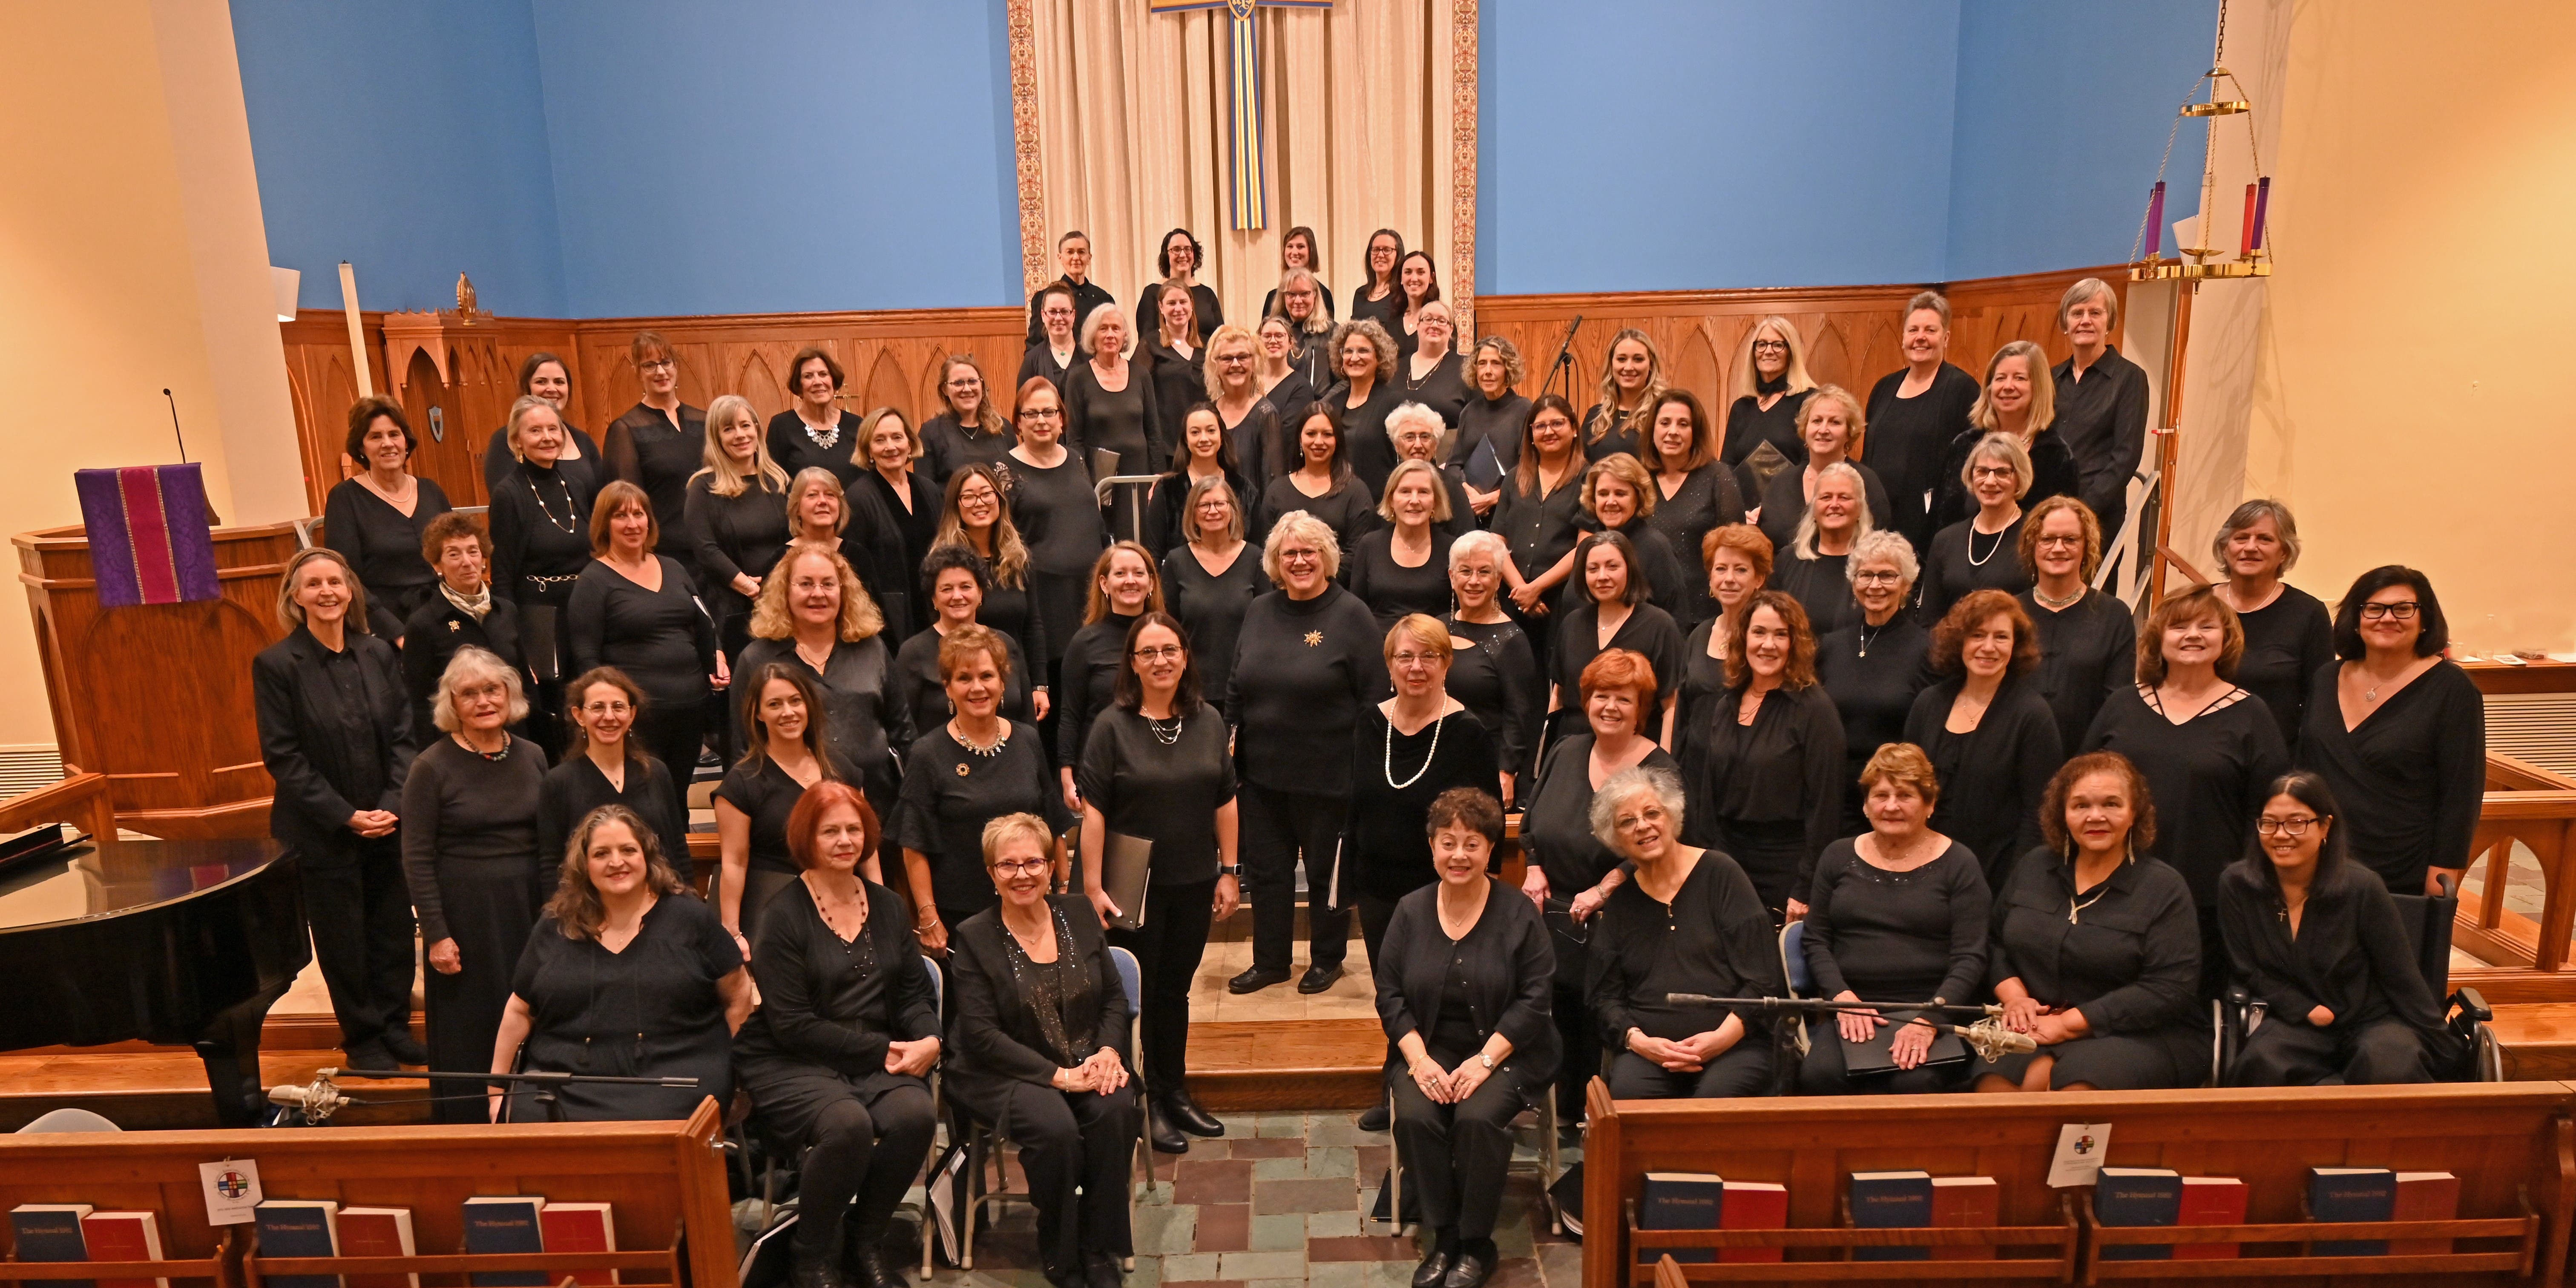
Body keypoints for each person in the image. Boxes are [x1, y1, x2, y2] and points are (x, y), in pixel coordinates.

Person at [733, 783, 940, 1288]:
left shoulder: (889, 906)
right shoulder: (781, 915)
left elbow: (914, 994)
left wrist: (930, 1039)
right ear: (808, 837)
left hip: (872, 1051)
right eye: (831, 831)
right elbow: (792, 1024)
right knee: (846, 1125)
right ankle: (811, 1253)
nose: (845, 840)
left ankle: (864, 1240)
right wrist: (885, 1049)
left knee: (916, 1115)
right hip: (791, 1056)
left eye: (854, 829)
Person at [946, 813, 1142, 1288]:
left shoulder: (1078, 913)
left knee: (1114, 1110)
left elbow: (1114, 998)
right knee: (1054, 1129)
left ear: (1051, 866)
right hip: (1003, 1070)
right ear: (991, 873)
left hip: (1087, 1057)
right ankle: (1059, 1241)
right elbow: (982, 1036)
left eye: (1033, 861)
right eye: (1008, 865)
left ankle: (1098, 1246)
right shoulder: (973, 937)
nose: (1022, 874)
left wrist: (1111, 1052)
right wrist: (1060, 1078)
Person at [1376, 787, 1555, 1288]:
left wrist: (1485, 1061)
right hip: (1428, 1047)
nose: (1459, 855)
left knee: (1477, 1120)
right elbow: (1389, 995)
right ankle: (1445, 1235)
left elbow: (1536, 1000)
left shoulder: (1518, 912)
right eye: (1448, 842)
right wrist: (1418, 1059)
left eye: (1472, 844)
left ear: (1491, 850)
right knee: (1415, 1115)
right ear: (1431, 846)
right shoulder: (1410, 911)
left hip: (1509, 1050)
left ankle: (1478, 1244)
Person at [1078, 612, 1240, 1154]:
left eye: (1170, 650)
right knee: (1136, 997)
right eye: (1148, 653)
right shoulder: (1111, 726)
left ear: (1185, 656)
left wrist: (1229, 872)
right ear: (1132, 663)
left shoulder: (1208, 721)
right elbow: (1094, 813)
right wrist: (1093, 887)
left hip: (1194, 879)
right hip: (1132, 885)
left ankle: (1175, 1092)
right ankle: (1142, 1101)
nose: (1161, 661)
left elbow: (1225, 799)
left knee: (1176, 991)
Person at [255, 548, 423, 1070]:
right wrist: (347, 816)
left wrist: (391, 806)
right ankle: (364, 1039)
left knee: (392, 930)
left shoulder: (377, 654)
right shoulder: (278, 665)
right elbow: (284, 756)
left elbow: (404, 738)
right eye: (313, 585)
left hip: (387, 822)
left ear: (351, 592)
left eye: (335, 582)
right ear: (295, 597)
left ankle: (394, 1027)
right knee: (344, 939)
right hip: (322, 830)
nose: (326, 592)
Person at [2082, 585, 2288, 995]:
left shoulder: (2252, 715)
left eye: (2206, 626)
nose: (2192, 634)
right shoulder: (2122, 704)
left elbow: (2267, 814)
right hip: (2114, 888)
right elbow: (2078, 787)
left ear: (2226, 639)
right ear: (2158, 638)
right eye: (2179, 626)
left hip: (2207, 899)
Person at [489, 805, 751, 1122]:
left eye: (628, 850)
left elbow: (738, 996)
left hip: (675, 1078)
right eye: (601, 854)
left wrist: (741, 1077)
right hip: (564, 1081)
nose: (616, 862)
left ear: (647, 855)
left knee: (648, 1125)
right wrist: (497, 1091)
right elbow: (519, 1010)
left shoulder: (690, 918)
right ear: (584, 864)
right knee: (532, 1119)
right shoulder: (556, 924)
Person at [1225, 512, 1387, 994]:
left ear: (1327, 557)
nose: (1300, 561)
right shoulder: (1260, 611)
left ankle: (1327, 959)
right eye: (1289, 553)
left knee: (1323, 876)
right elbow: (1236, 683)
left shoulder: (1351, 614)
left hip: (1330, 775)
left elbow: (1375, 700)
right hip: (1261, 775)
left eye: (1308, 552)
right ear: (1275, 562)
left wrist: (1364, 772)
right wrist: (1230, 740)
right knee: (1269, 874)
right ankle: (1271, 960)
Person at [1974, 753, 2203, 1092]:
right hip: (2035, 1024)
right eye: (2081, 806)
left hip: (2139, 1033)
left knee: (2072, 1090)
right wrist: (2015, 999)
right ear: (2063, 814)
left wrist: (2069, 1024)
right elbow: (1995, 943)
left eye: (2112, 804)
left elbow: (2169, 988)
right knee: (1995, 1086)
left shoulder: (2163, 888)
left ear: (2134, 813)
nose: (2096, 817)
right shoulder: (2034, 867)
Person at [1520, 649, 1678, 1113]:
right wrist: (1532, 865)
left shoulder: (1659, 769)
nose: (1610, 707)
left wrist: (1607, 886)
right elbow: (1531, 821)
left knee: (1596, 1015)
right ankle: (1560, 1106)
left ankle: (1597, 1108)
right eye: (1601, 696)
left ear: (1641, 708)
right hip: (1555, 913)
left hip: (1625, 914)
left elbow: (1662, 845)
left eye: (1623, 699)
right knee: (1548, 1008)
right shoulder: (1567, 749)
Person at [2220, 772, 2443, 1086]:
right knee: (2263, 1064)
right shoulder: (2238, 885)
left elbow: (2401, 976)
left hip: (2372, 1019)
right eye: (2269, 823)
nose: (2281, 834)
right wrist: (2304, 1009)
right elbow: (2247, 968)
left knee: (2391, 1066)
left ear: (2325, 826)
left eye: (2297, 822)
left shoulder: (2363, 887)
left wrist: (2446, 1046)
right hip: (2295, 1021)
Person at [403, 647, 550, 1121]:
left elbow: (550, 842)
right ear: (452, 704)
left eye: (493, 690)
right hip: (466, 918)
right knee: (475, 1022)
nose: (484, 700)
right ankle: (469, 1123)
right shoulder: (431, 766)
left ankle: (532, 1116)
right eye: (470, 693)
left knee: (535, 1008)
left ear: (510, 695)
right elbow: (417, 857)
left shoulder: (533, 756)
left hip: (528, 908)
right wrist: (437, 934)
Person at [1797, 744, 1989, 1094]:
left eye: (1905, 795)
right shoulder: (1837, 856)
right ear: (1865, 805)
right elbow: (1816, 939)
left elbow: (1971, 956)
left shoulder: (1960, 863)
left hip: (1934, 1009)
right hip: (1854, 1007)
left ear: (1930, 805)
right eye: (1881, 795)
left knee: (1916, 1081)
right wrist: (1842, 998)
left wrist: (1929, 1020)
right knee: (1818, 1076)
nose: (1891, 806)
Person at [1586, 766, 1780, 1100]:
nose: (1643, 826)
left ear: (1672, 815)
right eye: (1627, 821)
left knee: (1716, 1099)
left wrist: (1719, 1039)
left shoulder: (1722, 875)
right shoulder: (1622, 903)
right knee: (1630, 1095)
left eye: (1651, 813)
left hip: (1736, 1043)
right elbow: (1605, 998)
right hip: (1650, 1052)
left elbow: (1763, 980)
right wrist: (1640, 1042)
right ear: (1615, 837)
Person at [2300, 565, 2486, 897]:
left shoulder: (2453, 690)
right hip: (2320, 862)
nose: (2387, 618)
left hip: (2402, 869)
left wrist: (2444, 871)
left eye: (2403, 609)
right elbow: (2306, 765)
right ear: (2356, 619)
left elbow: (2461, 793)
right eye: (2374, 608)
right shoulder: (2327, 677)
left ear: (2424, 619)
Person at [894, 626, 1070, 959]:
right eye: (964, 678)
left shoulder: (1028, 741)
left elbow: (1053, 823)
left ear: (1003, 684)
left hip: (1031, 906)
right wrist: (929, 915)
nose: (977, 688)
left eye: (987, 676)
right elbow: (913, 843)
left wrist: (1062, 890)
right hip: (961, 917)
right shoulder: (926, 754)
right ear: (948, 688)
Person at [1345, 615, 1503, 975]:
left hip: (1444, 893)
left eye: (1429, 656)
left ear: (1447, 664)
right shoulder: (1370, 724)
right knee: (1389, 995)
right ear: (1390, 665)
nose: (1416, 667)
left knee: (1435, 997)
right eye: (1405, 657)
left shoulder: (1468, 733)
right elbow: (1356, 806)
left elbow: (1489, 823)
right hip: (1377, 890)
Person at [567, 481, 724, 827]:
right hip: (636, 718)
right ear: (604, 525)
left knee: (677, 801)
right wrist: (607, 710)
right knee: (641, 806)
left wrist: (717, 656)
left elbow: (703, 623)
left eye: (638, 514)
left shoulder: (673, 567)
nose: (632, 523)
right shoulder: (594, 581)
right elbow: (586, 657)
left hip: (690, 709)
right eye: (621, 516)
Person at [1691, 591, 1844, 919]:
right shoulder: (1726, 702)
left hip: (1785, 868)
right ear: (1743, 637)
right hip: (1727, 860)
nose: (1768, 645)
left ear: (1795, 643)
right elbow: (1709, 792)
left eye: (1780, 635)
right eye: (1759, 632)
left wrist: (1805, 888)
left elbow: (1826, 806)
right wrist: (1707, 860)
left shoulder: (1814, 709)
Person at [1903, 590, 2061, 890]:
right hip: (1921, 870)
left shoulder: (2033, 715)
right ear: (1960, 641)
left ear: (2016, 645)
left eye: (2001, 637)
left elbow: (2038, 815)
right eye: (1978, 635)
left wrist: (2016, 888)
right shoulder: (1928, 704)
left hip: (1995, 878)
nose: (1988, 647)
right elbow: (1906, 788)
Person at [736, 546, 909, 816]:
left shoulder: (873, 649)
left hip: (879, 806)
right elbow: (742, 747)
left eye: (828, 584)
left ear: (843, 591)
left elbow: (902, 730)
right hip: (792, 812)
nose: (818, 594)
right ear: (785, 591)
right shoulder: (756, 659)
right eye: (805, 584)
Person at [715, 662, 860, 951]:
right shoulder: (742, 781)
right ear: (758, 714)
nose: (788, 712)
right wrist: (731, 932)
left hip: (840, 904)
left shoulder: (842, 769)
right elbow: (734, 862)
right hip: (771, 910)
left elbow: (867, 850)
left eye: (796, 701)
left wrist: (878, 904)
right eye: (775, 704)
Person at [489, 396, 595, 741]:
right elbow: (503, 572)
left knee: (591, 697)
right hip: (539, 617)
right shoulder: (509, 494)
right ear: (517, 440)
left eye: (554, 428)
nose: (548, 437)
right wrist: (512, 640)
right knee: (556, 711)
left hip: (583, 608)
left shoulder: (575, 485)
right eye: (536, 431)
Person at [1816, 530, 1932, 835]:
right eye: (1865, 575)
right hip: (1835, 798)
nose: (1875, 585)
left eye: (1887, 576)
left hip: (1895, 800)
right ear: (1854, 582)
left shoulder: (1928, 649)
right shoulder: (1830, 646)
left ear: (1907, 584)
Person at [537, 667, 687, 878]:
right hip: (589, 906)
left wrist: (688, 900)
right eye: (598, 707)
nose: (609, 717)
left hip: (657, 899)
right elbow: (550, 863)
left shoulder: (656, 772)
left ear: (632, 714)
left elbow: (678, 847)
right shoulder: (558, 782)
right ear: (579, 716)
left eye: (618, 707)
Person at [325, 396, 454, 641]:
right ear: (361, 447)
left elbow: (455, 556)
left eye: (394, 434)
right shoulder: (345, 498)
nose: (388, 444)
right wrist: (397, 634)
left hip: (442, 615)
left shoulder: (431, 491)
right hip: (381, 628)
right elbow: (346, 575)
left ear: (406, 441)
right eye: (375, 437)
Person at [2211, 499, 2334, 752]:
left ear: (2284, 553)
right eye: (2241, 538)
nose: (2251, 547)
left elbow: (2321, 702)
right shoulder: (2196, 606)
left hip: (2273, 756)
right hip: (2199, 750)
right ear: (2225, 549)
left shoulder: (2308, 613)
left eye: (2265, 539)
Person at [1008, 376, 1110, 678]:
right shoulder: (1004, 469)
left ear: (1062, 420)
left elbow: (1091, 519)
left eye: (1049, 412)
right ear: (1018, 422)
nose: (1042, 420)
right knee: (1055, 678)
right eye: (1032, 413)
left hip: (1088, 590)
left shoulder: (1076, 459)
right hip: (1044, 598)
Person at [1054, 542, 1167, 811]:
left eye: (1139, 574)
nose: (1131, 581)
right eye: (1121, 574)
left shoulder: (1167, 637)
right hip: (1103, 768)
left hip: (1161, 765)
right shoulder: (1084, 642)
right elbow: (1071, 715)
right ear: (1104, 584)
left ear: (1151, 583)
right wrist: (1067, 776)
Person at [1864, 292, 1981, 550]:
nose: (1921, 338)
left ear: (1946, 337)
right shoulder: (1883, 387)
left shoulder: (1963, 390)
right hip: (1875, 522)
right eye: (1913, 330)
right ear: (1904, 337)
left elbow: (1969, 467)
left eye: (1931, 330)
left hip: (1929, 530)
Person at [2019, 496, 2136, 756]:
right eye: (2047, 539)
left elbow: (2117, 705)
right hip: (2014, 761)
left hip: (2087, 762)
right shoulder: (2010, 612)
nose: (2058, 548)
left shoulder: (2115, 616)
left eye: (2070, 540)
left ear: (2087, 547)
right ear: (2032, 546)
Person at [1548, 531, 1685, 748]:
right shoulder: (1572, 623)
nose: (1602, 576)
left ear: (1630, 570)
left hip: (1635, 752)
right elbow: (1558, 697)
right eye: (1593, 569)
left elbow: (1672, 706)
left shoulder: (1659, 625)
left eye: (1612, 567)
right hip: (1574, 749)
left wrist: (1664, 767)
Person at [686, 394, 791, 664]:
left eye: (746, 425)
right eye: (729, 429)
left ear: (757, 428)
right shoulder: (703, 487)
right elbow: (705, 549)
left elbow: (795, 538)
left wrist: (777, 586)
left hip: (782, 601)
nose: (740, 435)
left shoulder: (778, 481)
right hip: (731, 605)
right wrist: (749, 587)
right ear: (717, 438)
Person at [402, 512, 526, 742]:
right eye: (454, 554)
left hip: (514, 739)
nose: (467, 562)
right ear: (437, 564)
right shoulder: (423, 624)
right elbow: (418, 704)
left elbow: (524, 683)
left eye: (473, 551)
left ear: (484, 557)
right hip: (456, 746)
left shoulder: (507, 611)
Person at [933, 461, 1051, 697]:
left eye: (987, 494)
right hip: (968, 685)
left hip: (1015, 680)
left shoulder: (1018, 557)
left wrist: (1039, 685)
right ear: (955, 506)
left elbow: (1033, 625)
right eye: (969, 497)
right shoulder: (943, 563)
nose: (980, 503)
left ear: (1000, 500)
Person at [1931, 341, 2078, 529]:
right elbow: (1938, 523)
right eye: (2000, 378)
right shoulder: (1964, 445)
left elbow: (2063, 531)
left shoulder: (2056, 456)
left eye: (2019, 378)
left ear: (2038, 388)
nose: (2008, 386)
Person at [1676, 525, 1776, 799]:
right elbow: (1682, 711)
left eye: (1741, 570)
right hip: (1695, 777)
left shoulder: (1771, 641)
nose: (1728, 579)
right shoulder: (1699, 636)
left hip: (1748, 783)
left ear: (1759, 579)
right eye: (1721, 569)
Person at [1443, 532, 1543, 808]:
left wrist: (1507, 771)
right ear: (1452, 577)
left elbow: (1520, 712)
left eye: (1484, 572)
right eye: (1465, 571)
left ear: (1499, 580)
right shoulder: (1437, 629)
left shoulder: (1512, 639)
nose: (1474, 581)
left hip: (1484, 767)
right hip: (1436, 759)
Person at [2051, 279, 2151, 552]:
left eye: (2095, 313)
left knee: (2095, 594)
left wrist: (2083, 509)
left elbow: (2126, 456)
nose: (2085, 321)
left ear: (2110, 323)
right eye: (2077, 313)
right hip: (2046, 512)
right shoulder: (2050, 379)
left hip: (2099, 515)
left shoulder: (2130, 378)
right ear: (2065, 325)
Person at [894, 545, 1040, 730]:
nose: (957, 596)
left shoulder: (1005, 644)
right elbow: (903, 729)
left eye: (966, 587)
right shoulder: (913, 653)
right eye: (947, 589)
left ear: (980, 594)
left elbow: (1027, 719)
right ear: (934, 599)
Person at [1639, 390, 1747, 628]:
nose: (1673, 432)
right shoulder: (1638, 479)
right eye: (1665, 423)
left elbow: (1736, 546)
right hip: (1644, 612)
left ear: (1695, 432)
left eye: (1683, 424)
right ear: (1652, 430)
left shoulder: (1718, 477)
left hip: (1702, 614)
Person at [1494, 396, 1589, 653]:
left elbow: (1586, 546)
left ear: (1574, 429)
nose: (1549, 432)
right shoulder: (1515, 478)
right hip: (1513, 597)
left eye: (1557, 424)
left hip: (1562, 598)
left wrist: (1537, 588)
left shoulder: (1590, 479)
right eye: (1540, 426)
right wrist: (1522, 590)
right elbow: (1497, 543)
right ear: (1531, 434)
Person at [784, 465, 915, 651]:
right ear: (796, 507)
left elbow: (878, 618)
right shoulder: (781, 559)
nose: (823, 502)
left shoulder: (858, 556)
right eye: (812, 495)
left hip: (855, 651)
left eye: (830, 495)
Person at [1159, 475, 1265, 702]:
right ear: (1193, 514)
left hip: (1247, 687)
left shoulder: (1256, 558)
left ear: (1233, 510)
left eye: (1220, 504)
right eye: (1204, 505)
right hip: (1192, 689)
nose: (1213, 511)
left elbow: (1267, 626)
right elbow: (1168, 628)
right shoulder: (1176, 562)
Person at [1753, 386, 1891, 555]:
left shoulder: (1866, 482)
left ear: (1849, 432)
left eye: (1835, 422)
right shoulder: (1781, 483)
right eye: (1817, 421)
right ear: (1805, 428)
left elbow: (1879, 546)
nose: (1823, 430)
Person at [601, 331, 707, 554]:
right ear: (638, 373)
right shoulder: (625, 429)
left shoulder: (706, 421)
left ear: (676, 366)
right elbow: (628, 503)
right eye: (649, 365)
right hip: (663, 552)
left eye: (666, 363)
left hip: (713, 546)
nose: (660, 372)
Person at [1920, 432, 2037, 621]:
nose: (1990, 481)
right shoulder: (1945, 540)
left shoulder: (2036, 536)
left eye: (2002, 472)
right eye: (1982, 471)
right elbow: (1928, 619)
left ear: (2020, 478)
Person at [1064, 304, 1159, 528]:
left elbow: (1154, 433)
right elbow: (1074, 439)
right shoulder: (1078, 378)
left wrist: (1158, 479)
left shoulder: (1141, 374)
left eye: (1116, 328)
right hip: (1101, 482)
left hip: (1139, 477)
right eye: (1103, 329)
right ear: (1092, 335)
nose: (1110, 335)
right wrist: (1083, 484)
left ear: (1125, 335)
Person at [1572, 453, 1688, 619]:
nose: (1611, 502)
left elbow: (1676, 617)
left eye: (1620, 494)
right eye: (1603, 494)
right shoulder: (1587, 547)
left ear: (1638, 498)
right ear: (1593, 498)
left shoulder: (1656, 547)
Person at [1254, 404, 1377, 554]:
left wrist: (1319, 576)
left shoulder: (1356, 492)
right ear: (1300, 439)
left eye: (1327, 434)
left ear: (1337, 440)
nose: (1319, 442)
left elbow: (1357, 556)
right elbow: (1268, 553)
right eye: (1311, 434)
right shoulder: (1277, 491)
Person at [1768, 461, 1872, 636]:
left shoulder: (1875, 563)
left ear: (1860, 507)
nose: (1834, 504)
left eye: (1844, 497)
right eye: (1826, 497)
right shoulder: (1789, 559)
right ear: (1814, 508)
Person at [1350, 460, 1457, 628]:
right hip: (1380, 649)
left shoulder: (1453, 549)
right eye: (1405, 492)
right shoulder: (1369, 545)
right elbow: (1356, 614)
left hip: (1434, 648)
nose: (1414, 500)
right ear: (1391, 500)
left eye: (1423, 492)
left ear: (1435, 501)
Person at [859, 406, 942, 614]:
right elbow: (857, 571)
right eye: (880, 440)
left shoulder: (929, 489)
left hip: (935, 608)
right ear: (868, 449)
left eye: (897, 437)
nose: (891, 447)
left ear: (910, 444)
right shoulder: (859, 498)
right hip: (888, 616)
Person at [1720, 317, 1817, 496]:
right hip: (1744, 514)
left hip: (1792, 506)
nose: (1769, 351)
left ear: (1791, 352)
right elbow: (1727, 468)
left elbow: (1811, 463)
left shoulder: (1809, 401)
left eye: (1778, 345)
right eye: (1762, 344)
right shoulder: (1741, 407)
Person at [482, 351, 601, 495]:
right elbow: (504, 499)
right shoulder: (504, 440)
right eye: (541, 382)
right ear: (527, 387)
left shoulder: (583, 440)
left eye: (559, 382)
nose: (551, 389)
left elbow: (602, 499)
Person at [1144, 403, 1251, 556]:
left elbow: (1254, 548)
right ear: (1186, 440)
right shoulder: (1167, 489)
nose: (1204, 439)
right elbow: (1154, 554)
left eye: (1211, 431)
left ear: (1221, 436)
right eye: (1195, 433)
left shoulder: (1244, 489)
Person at [1453, 336, 1532, 519]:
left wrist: (1494, 498)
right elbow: (1453, 465)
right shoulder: (1469, 412)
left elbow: (1528, 468)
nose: (1488, 371)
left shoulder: (1525, 410)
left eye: (1496, 364)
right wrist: (1470, 494)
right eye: (1482, 364)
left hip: (1510, 509)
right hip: (1470, 508)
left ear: (1508, 369)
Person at [1323, 319, 1403, 495]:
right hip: (1336, 499)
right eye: (1348, 351)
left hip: (1378, 504)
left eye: (1363, 351)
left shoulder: (1394, 404)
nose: (1354, 358)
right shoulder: (1332, 404)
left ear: (1379, 358)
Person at [765, 348, 866, 485]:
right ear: (799, 385)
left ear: (833, 381)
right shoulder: (782, 426)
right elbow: (774, 481)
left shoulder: (856, 424)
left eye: (823, 374)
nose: (818, 382)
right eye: (808, 376)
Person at [1205, 324, 1281, 500]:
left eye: (1243, 357)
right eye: (1227, 359)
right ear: (1215, 365)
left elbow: (1273, 487)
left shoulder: (1266, 415)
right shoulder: (1209, 414)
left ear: (1254, 363)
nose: (1236, 364)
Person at [1386, 400, 1478, 540]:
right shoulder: (1390, 485)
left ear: (1435, 445)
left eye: (1425, 437)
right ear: (1397, 446)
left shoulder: (1452, 487)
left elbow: (1468, 541)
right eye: (1409, 437)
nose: (1418, 445)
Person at [920, 354, 1018, 485]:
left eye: (973, 381)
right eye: (958, 383)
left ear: (982, 386)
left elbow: (1016, 481)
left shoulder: (1003, 428)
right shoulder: (931, 433)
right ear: (945, 390)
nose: (967, 389)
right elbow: (926, 492)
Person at [1142, 276, 1208, 457]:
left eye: (1183, 302)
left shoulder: (1207, 346)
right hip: (1168, 445)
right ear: (1161, 308)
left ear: (1192, 305)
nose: (1178, 308)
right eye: (1171, 303)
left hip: (1204, 442)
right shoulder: (1150, 344)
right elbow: (1138, 392)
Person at [1582, 330, 1664, 462]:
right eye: (1622, 359)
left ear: (1651, 365)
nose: (1629, 367)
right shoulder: (1595, 416)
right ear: (1612, 364)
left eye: (1638, 359)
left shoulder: (1662, 414)